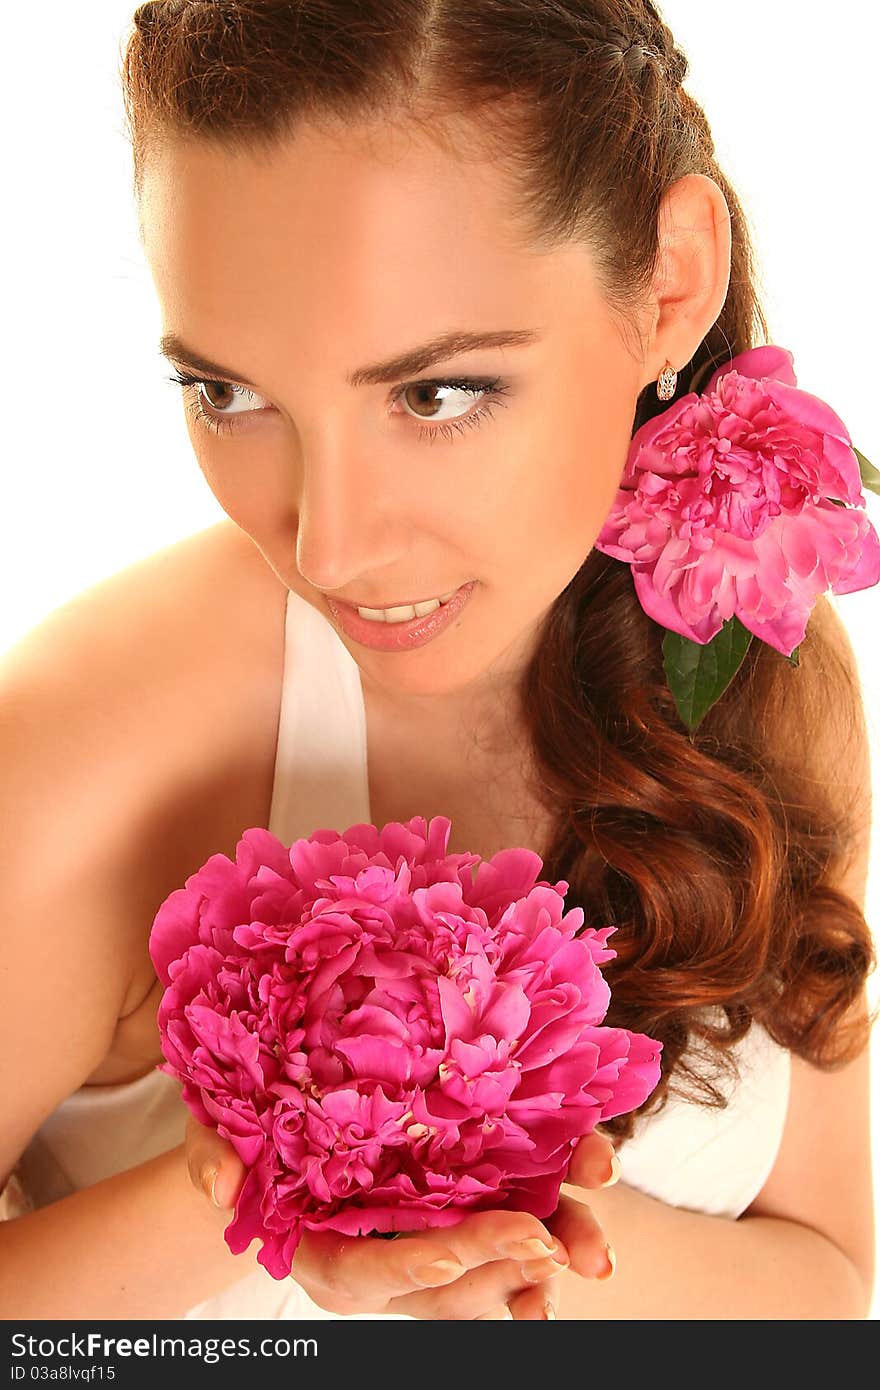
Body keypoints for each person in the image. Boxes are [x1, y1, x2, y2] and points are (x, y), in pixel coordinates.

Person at [0, 0, 875, 1321]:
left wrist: (506, 1243)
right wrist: (257, 1179)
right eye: (227, 393)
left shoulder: (754, 660)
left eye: (436, 393)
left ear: (669, 284)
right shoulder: (103, 744)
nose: (332, 544)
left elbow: (827, 1281)